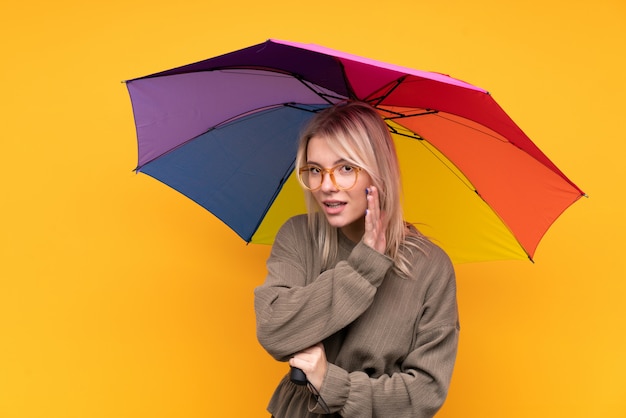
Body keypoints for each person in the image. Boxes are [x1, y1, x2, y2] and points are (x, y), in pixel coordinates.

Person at [254, 101, 459, 418]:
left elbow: (425, 393)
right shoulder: (298, 236)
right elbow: (274, 331)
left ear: (378, 173)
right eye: (315, 170)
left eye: (346, 168)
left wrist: (332, 384)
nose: (326, 186)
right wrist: (362, 269)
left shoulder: (431, 267)